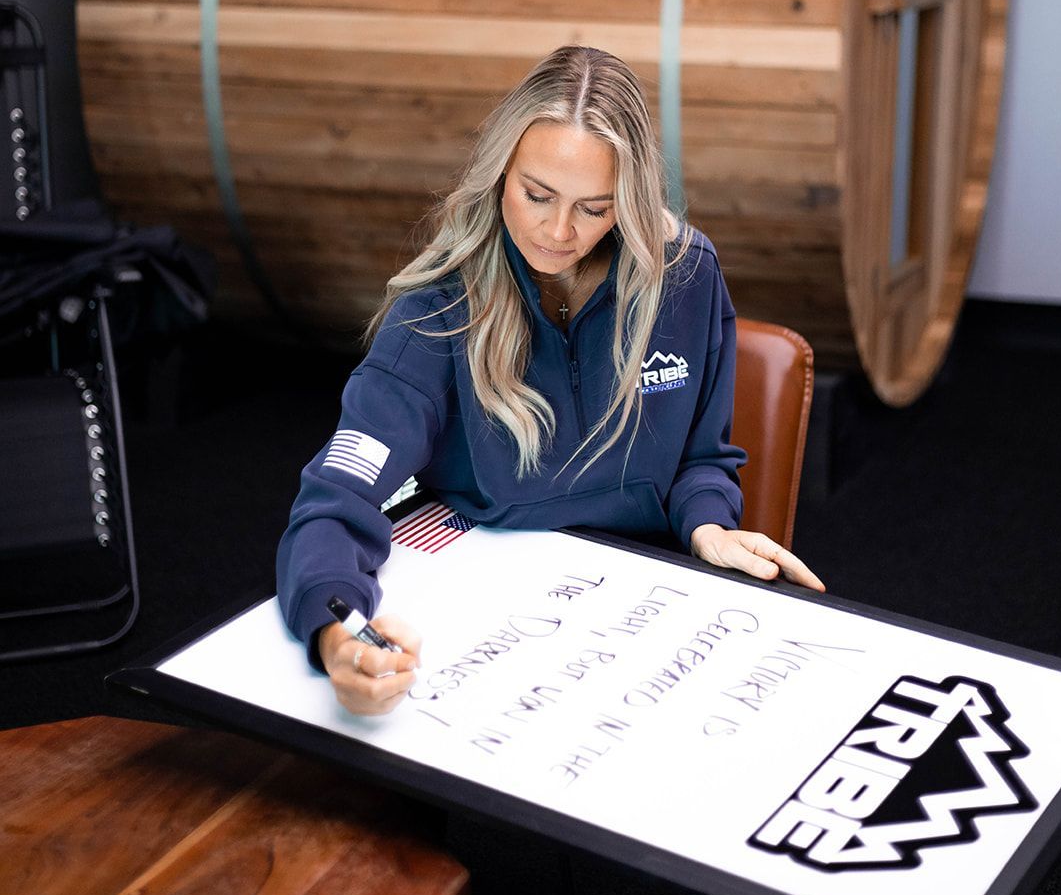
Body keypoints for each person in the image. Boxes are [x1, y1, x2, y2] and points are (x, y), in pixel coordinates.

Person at [277, 46, 823, 715]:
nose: (559, 232)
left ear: (630, 200)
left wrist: (706, 523)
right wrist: (337, 633)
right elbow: (336, 501)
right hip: (494, 616)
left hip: (654, 612)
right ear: (499, 172)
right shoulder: (436, 311)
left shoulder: (685, 274)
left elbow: (701, 458)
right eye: (536, 195)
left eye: (594, 208)